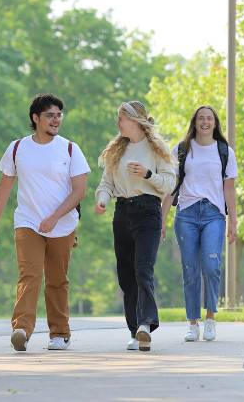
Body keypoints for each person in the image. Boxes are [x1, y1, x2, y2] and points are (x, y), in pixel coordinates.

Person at [0, 93, 90, 351]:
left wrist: (54, 217)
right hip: (27, 221)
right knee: (29, 274)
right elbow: (4, 188)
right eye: (50, 116)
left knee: (57, 279)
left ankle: (59, 333)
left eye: (59, 116)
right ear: (36, 118)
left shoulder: (70, 148)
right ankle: (21, 328)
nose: (56, 120)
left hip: (62, 225)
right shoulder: (18, 148)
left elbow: (79, 190)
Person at [94, 101, 176, 351]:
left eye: (121, 119)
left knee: (143, 269)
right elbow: (106, 183)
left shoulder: (156, 149)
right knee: (126, 274)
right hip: (122, 212)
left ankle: (146, 324)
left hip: (148, 212)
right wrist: (102, 200)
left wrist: (148, 174)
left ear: (134, 121)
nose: (118, 124)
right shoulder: (115, 150)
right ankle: (134, 330)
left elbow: (170, 184)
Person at [161, 105, 238, 342]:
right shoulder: (181, 150)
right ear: (194, 123)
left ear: (215, 123)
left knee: (212, 265)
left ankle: (211, 317)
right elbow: (171, 186)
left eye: (209, 118)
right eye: (201, 118)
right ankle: (192, 322)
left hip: (214, 214)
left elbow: (229, 188)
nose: (205, 122)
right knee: (190, 268)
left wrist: (233, 221)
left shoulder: (224, 151)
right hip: (186, 214)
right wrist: (161, 219)